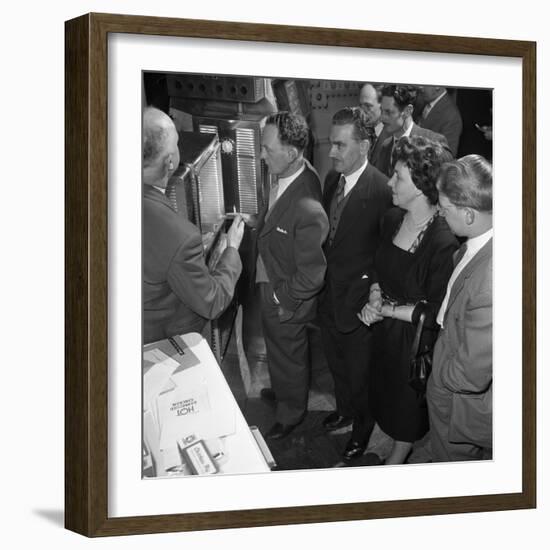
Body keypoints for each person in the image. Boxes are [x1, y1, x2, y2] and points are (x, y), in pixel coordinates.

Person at [358, 136, 458, 465]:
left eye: (398, 176)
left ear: (420, 182)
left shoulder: (443, 242)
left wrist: (385, 309)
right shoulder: (391, 219)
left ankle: (398, 462)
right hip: (384, 335)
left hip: (413, 345)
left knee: (405, 415)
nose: (389, 182)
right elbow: (377, 268)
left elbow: (435, 312)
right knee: (381, 394)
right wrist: (374, 294)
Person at [318, 107, 392, 462]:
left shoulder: (381, 190)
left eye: (340, 145)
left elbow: (385, 252)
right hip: (328, 297)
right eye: (332, 144)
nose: (332, 152)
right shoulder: (333, 179)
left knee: (361, 375)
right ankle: (345, 411)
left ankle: (362, 429)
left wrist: (373, 296)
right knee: (336, 364)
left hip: (360, 303)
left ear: (364, 146)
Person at [142, 106, 244, 344]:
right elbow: (212, 301)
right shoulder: (181, 237)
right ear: (170, 162)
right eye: (177, 142)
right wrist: (231, 249)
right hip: (160, 345)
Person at [256, 112, 329, 441]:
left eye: (267, 149)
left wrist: (277, 297)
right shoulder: (288, 171)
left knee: (290, 355)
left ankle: (291, 413)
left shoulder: (308, 207)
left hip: (286, 297)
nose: (261, 154)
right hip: (272, 274)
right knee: (278, 351)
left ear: (292, 153)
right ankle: (284, 389)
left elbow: (312, 276)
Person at [427, 155, 493, 462]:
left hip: (456, 401)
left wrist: (439, 379)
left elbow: (470, 373)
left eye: (444, 206)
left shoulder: (489, 282)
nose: (439, 212)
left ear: (468, 214)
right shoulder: (474, 241)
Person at [372, 84, 452, 177]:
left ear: (408, 111)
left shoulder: (434, 142)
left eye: (388, 112)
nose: (382, 118)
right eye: (381, 111)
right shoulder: (385, 146)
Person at [417, 85, 463, 157]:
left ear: (437, 86)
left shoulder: (452, 117)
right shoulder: (425, 100)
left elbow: (447, 156)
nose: (420, 87)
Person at [358, 82, 392, 164]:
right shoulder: (358, 133)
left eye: (368, 106)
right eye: (360, 105)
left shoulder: (392, 137)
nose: (362, 111)